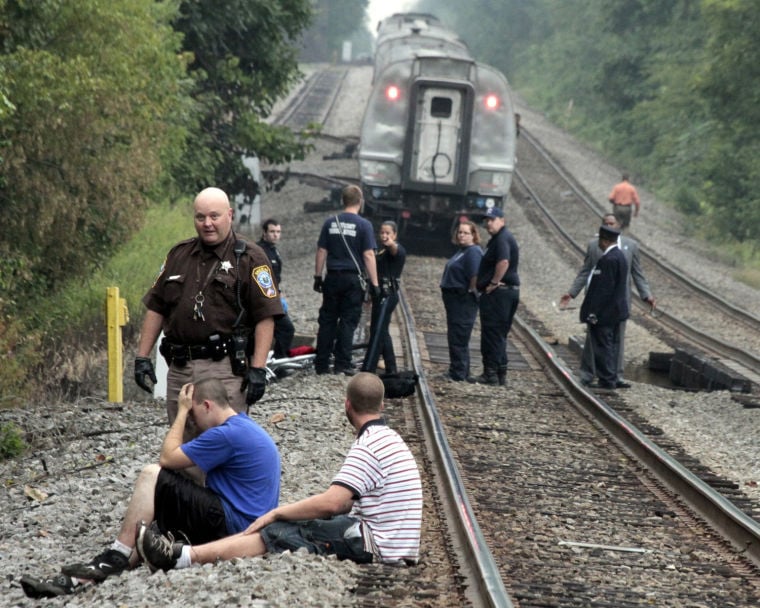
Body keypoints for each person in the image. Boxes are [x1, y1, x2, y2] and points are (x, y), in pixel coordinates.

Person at [19, 378, 281, 599]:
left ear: (207, 405)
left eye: (193, 414)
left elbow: (167, 459)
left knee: (151, 473)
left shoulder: (225, 434)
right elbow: (185, 469)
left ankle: (117, 555)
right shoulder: (243, 427)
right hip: (244, 522)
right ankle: (83, 579)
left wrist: (180, 412)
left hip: (234, 526)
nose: (192, 422)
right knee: (148, 526)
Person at [135, 372, 423, 571]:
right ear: (382, 405)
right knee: (291, 525)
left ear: (347, 405)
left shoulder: (368, 445)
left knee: (278, 532)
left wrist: (277, 512)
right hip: (395, 543)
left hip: (376, 544)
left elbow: (333, 503)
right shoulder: (391, 439)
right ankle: (184, 554)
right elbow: (344, 503)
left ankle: (182, 557)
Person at [134, 187, 283, 424]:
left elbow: (266, 316)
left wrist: (258, 369)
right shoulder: (178, 255)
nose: (207, 223)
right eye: (200, 217)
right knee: (181, 445)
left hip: (225, 370)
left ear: (230, 215)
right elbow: (156, 306)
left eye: (214, 216)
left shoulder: (251, 258)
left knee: (224, 443)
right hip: (180, 368)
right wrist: (142, 357)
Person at [559, 214, 656, 387]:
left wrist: (646, 295)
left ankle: (615, 376)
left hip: (620, 301)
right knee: (594, 338)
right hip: (598, 302)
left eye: (612, 223)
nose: (609, 226)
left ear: (618, 226)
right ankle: (588, 373)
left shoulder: (630, 246)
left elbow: (637, 273)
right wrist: (572, 293)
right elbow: (585, 271)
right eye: (606, 223)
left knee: (617, 339)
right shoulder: (594, 246)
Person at [313, 185, 380, 375]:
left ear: (343, 200)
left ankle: (322, 363)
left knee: (327, 320)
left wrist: (318, 276)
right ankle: (342, 363)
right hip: (352, 280)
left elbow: (321, 251)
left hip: (332, 277)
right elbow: (368, 255)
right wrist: (374, 283)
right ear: (360, 202)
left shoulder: (330, 222)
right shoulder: (364, 225)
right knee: (348, 321)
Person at [471, 207, 520, 386]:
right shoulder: (501, 238)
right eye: (486, 220)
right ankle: (500, 373)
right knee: (499, 334)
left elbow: (504, 261)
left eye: (492, 219)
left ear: (502, 220)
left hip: (499, 294)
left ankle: (490, 374)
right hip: (507, 293)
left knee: (492, 333)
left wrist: (493, 283)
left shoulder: (501, 239)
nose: (488, 223)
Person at [578, 224, 630, 390]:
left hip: (605, 313)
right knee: (612, 345)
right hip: (616, 311)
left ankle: (606, 380)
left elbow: (602, 290)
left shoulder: (607, 260)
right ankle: (611, 377)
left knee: (603, 346)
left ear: (605, 241)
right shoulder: (620, 256)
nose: (598, 243)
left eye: (599, 240)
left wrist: (593, 312)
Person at [439, 220, 483, 381]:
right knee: (457, 335)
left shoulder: (473, 252)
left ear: (473, 235)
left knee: (458, 336)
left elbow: (475, 276)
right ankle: (461, 370)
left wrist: (469, 292)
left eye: (466, 233)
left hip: (462, 301)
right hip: (455, 301)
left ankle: (457, 373)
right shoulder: (462, 251)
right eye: (460, 232)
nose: (462, 235)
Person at [363, 221, 406, 375]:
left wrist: (391, 243)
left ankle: (369, 367)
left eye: (388, 233)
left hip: (388, 295)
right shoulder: (380, 251)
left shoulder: (398, 250)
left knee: (378, 329)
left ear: (394, 235)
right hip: (379, 293)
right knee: (381, 329)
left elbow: (395, 250)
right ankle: (391, 367)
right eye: (382, 233)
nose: (384, 236)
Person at [257, 218, 296, 360]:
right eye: (272, 231)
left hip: (273, 297)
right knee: (287, 329)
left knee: (281, 329)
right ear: (264, 233)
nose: (275, 235)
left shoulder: (273, 250)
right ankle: (280, 360)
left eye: (278, 232)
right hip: (266, 300)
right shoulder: (260, 251)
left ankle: (278, 358)